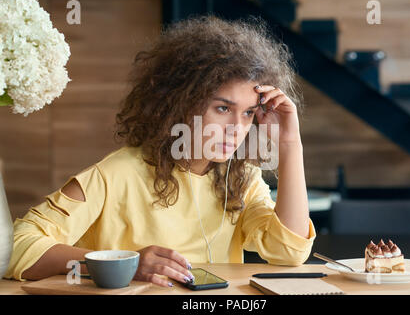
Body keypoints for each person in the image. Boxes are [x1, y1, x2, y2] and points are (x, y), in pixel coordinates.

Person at [4, 15, 316, 287]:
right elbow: (15, 248)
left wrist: (290, 146)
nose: (237, 127)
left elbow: (289, 252)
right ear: (180, 103)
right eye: (223, 108)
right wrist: (122, 263)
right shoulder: (117, 174)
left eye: (248, 113)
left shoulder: (242, 178)